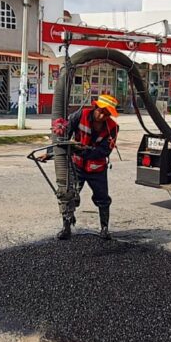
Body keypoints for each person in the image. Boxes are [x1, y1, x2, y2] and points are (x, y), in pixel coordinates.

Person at [55, 93, 120, 240]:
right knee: (69, 195)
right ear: (95, 106)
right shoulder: (80, 115)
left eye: (107, 114)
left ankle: (104, 228)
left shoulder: (113, 128)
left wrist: (83, 150)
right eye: (101, 111)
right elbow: (63, 135)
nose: (103, 116)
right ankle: (66, 228)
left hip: (97, 168)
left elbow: (104, 150)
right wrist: (51, 152)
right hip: (77, 165)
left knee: (102, 198)